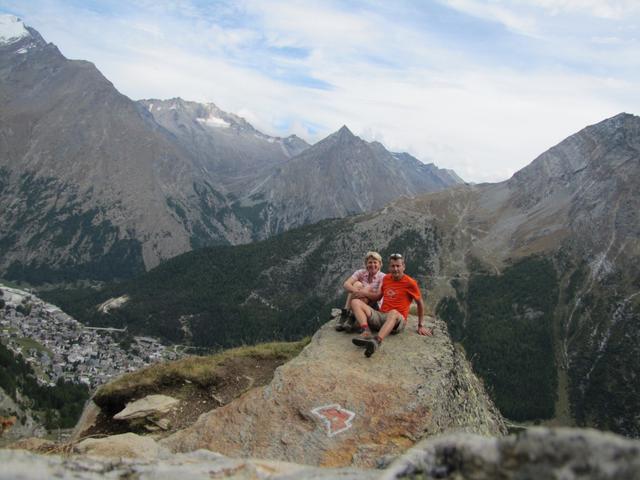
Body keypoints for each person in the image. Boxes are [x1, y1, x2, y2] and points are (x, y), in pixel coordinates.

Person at [351, 253, 433, 357]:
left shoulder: (410, 283)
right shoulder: (386, 279)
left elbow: (420, 303)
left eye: (398, 266)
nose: (395, 269)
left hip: (398, 320)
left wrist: (420, 325)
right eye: (393, 266)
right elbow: (378, 297)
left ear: (403, 267)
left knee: (393, 312)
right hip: (382, 315)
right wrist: (364, 294)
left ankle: (376, 341)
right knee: (355, 302)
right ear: (389, 267)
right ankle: (366, 331)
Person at [335, 251, 384, 332]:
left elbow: (377, 297)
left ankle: (352, 316)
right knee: (357, 284)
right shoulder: (361, 272)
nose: (372, 265)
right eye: (370, 262)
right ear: (366, 264)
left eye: (375, 262)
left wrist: (364, 293)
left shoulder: (383, 277)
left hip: (374, 307)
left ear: (380, 264)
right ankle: (347, 313)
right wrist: (358, 292)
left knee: (367, 287)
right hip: (359, 302)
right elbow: (346, 284)